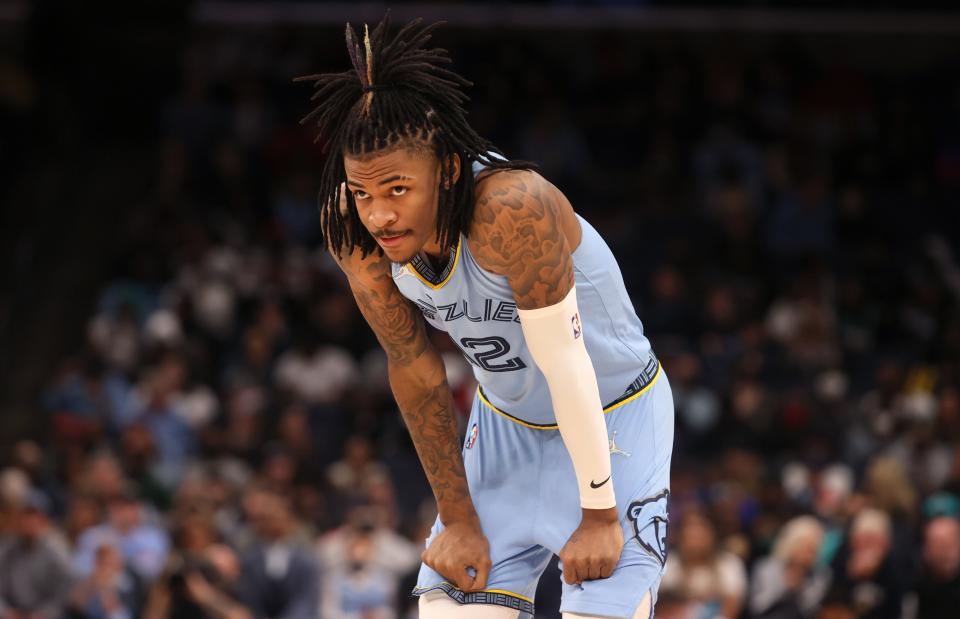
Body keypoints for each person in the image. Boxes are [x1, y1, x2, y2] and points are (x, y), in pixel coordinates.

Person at [297, 14, 674, 619]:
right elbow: (416, 372)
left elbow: (564, 358)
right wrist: (458, 518)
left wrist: (600, 514)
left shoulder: (511, 208)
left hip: (614, 420)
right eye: (364, 193)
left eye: (398, 190)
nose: (380, 216)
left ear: (446, 170)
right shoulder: (353, 228)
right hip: (505, 427)